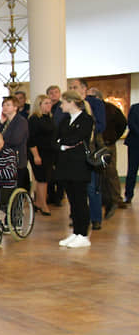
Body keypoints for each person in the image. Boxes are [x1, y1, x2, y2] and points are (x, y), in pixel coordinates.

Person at [53, 91, 95, 248]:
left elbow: (76, 138)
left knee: (80, 201)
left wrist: (63, 143)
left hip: (78, 165)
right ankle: (76, 232)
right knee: (72, 201)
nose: (61, 106)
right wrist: (63, 145)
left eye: (63, 102)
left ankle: (83, 234)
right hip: (65, 165)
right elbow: (56, 140)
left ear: (71, 102)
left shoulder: (86, 119)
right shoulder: (65, 120)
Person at [70, 79, 106, 229]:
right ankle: (79, 217)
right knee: (76, 188)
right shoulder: (69, 105)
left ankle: (96, 218)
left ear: (84, 89)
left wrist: (82, 129)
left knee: (92, 187)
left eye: (75, 87)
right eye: (70, 87)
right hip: (73, 152)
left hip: (90, 150)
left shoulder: (94, 104)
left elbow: (101, 125)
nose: (72, 89)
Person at [90, 88, 127, 214]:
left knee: (111, 172)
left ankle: (116, 198)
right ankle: (103, 199)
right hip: (94, 146)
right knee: (98, 174)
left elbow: (122, 123)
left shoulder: (111, 109)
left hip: (108, 144)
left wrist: (112, 138)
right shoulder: (88, 110)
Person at [0, 96, 30, 191]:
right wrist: (0, 122)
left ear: (15, 107)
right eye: (3, 105)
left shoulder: (20, 121)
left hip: (16, 160)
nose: (5, 107)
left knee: (15, 189)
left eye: (8, 105)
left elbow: (15, 140)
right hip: (3, 160)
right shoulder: (5, 122)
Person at [27, 94, 56, 215]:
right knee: (42, 179)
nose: (49, 105)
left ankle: (39, 202)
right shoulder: (34, 119)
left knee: (44, 179)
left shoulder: (49, 117)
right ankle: (43, 205)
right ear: (39, 105)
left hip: (49, 153)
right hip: (38, 152)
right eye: (46, 103)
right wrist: (36, 155)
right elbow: (31, 139)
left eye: (50, 103)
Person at [46, 84, 68, 206]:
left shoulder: (63, 107)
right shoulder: (45, 107)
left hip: (60, 143)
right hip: (48, 145)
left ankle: (59, 196)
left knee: (60, 171)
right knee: (49, 172)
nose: (53, 95)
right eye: (51, 92)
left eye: (56, 92)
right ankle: (50, 195)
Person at [125, 101, 139, 204]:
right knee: (132, 171)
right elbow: (131, 123)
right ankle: (128, 195)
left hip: (134, 142)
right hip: (135, 143)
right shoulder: (135, 108)